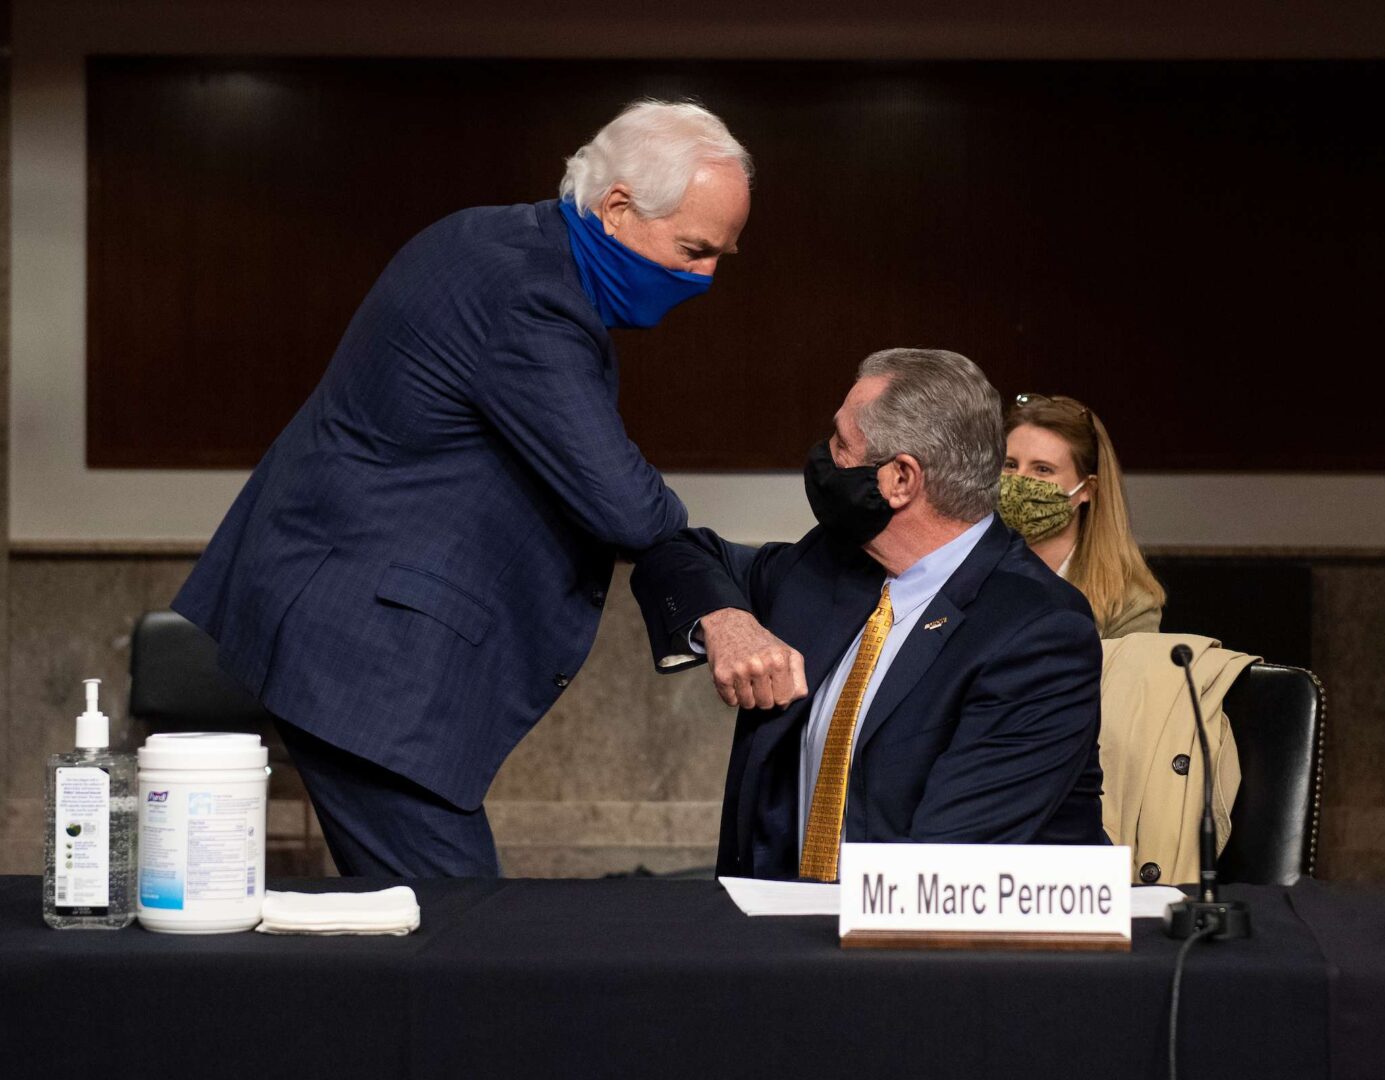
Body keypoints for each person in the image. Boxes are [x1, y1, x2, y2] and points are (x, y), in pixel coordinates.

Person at [172, 100, 753, 877]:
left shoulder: (488, 235)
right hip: (366, 664)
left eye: (721, 255)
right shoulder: (531, 296)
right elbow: (621, 500)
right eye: (693, 248)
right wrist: (712, 590)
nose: (707, 276)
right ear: (618, 208)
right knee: (456, 943)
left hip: (343, 633)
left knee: (429, 939)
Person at [631, 349, 1107, 882]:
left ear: (900, 479)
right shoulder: (827, 563)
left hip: (920, 951)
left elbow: (942, 868)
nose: (822, 457)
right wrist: (726, 623)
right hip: (776, 931)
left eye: (840, 444)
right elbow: (679, 554)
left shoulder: (1038, 632)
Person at [998, 393, 1166, 638]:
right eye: (1010, 465)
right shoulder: (966, 570)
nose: (1018, 479)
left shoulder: (1126, 603)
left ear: (1087, 489)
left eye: (1043, 469)